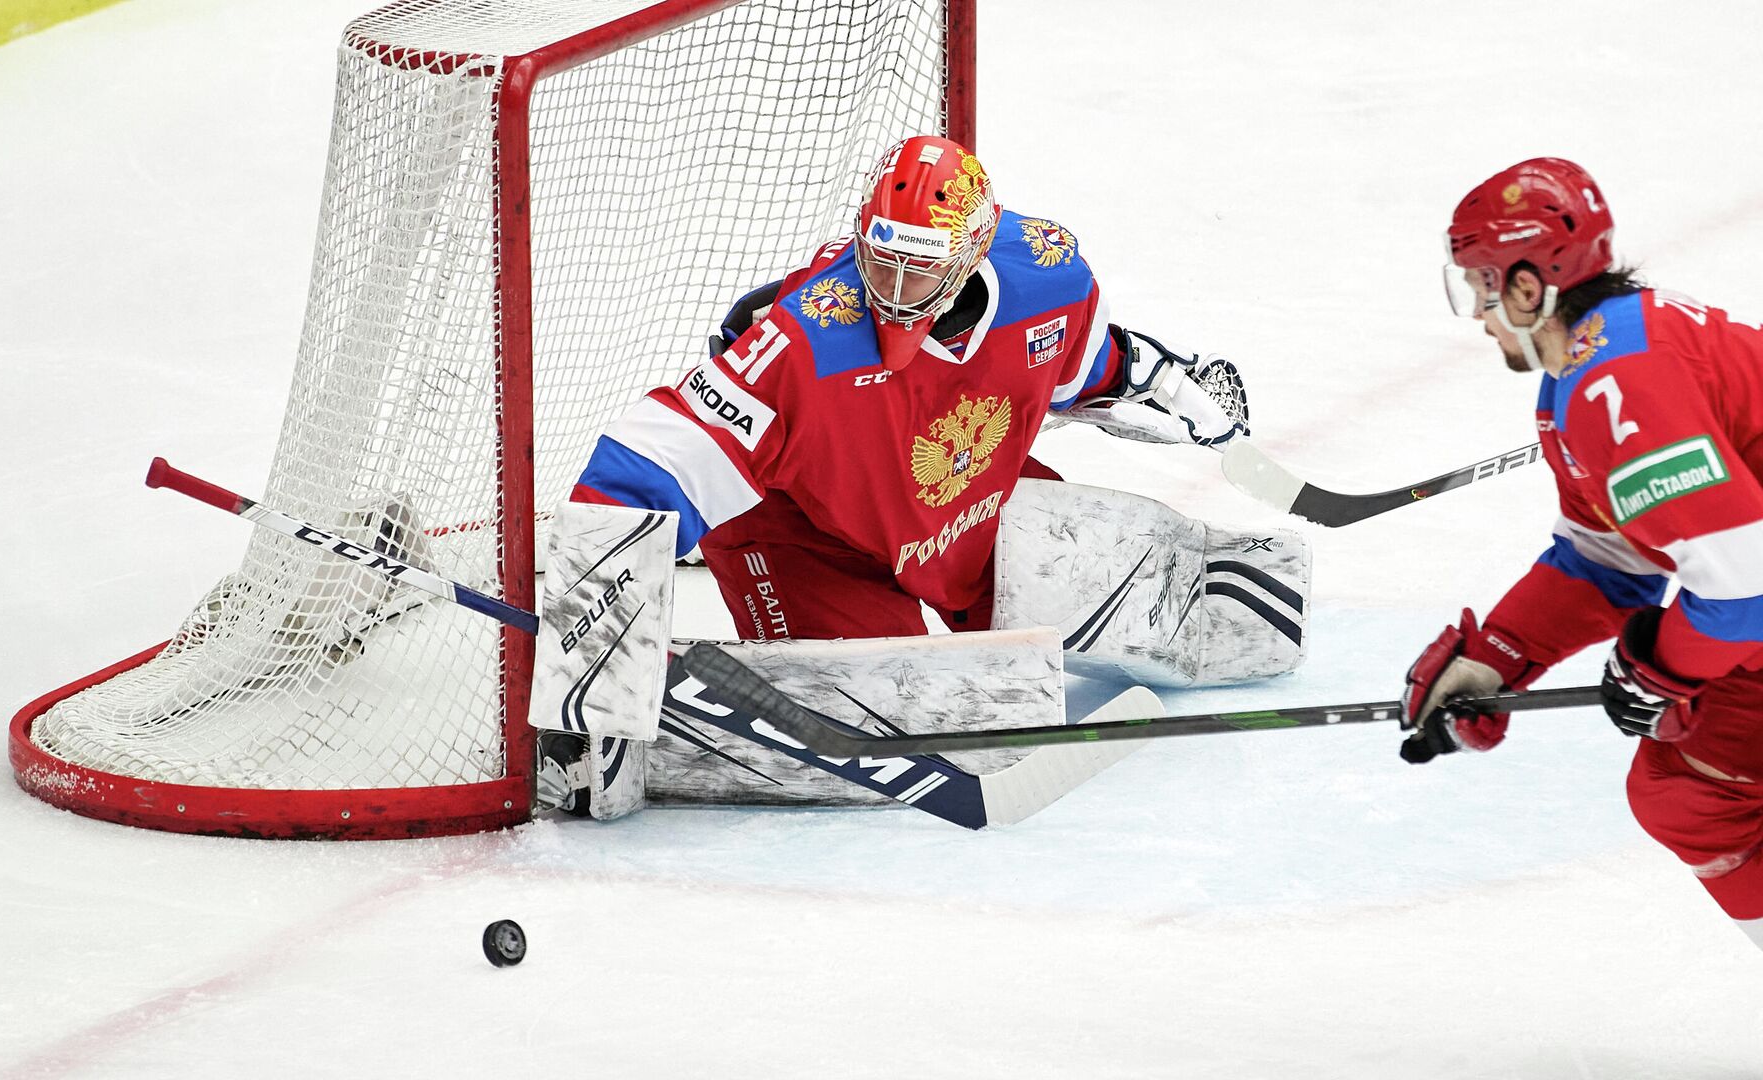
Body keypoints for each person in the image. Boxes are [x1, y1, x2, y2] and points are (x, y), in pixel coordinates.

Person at [567, 134, 1248, 642]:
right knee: (887, 712)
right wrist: (594, 631)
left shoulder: (1048, 272)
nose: (892, 291)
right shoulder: (806, 341)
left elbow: (1073, 357)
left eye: (917, 269)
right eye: (881, 260)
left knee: (1104, 621)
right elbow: (644, 468)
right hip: (810, 535)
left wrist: (1151, 374)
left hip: (966, 509)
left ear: (971, 255)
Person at [1403, 157, 1763, 950]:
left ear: (1529, 288)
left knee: (1702, 789)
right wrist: (1499, 655)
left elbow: (1743, 591)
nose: (1476, 312)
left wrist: (1661, 667)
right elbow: (1611, 559)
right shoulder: (1594, 366)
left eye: (1482, 285)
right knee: (1693, 785)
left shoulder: (1617, 379)